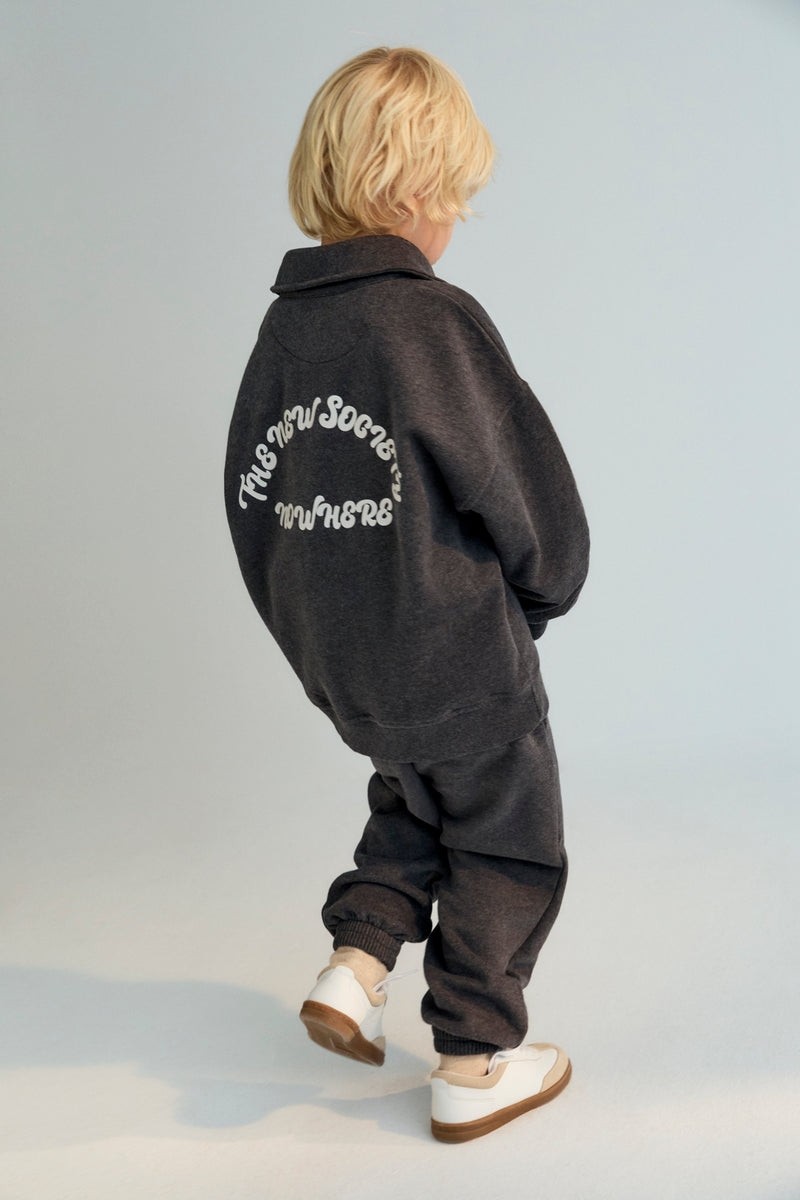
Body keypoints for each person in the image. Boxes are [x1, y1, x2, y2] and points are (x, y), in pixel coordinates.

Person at [224, 46, 590, 1143]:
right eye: (455, 199)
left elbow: (251, 503)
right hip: (460, 654)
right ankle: (474, 1060)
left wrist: (316, 642)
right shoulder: (431, 322)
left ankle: (355, 962)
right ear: (419, 189)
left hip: (353, 663)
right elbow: (520, 488)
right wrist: (542, 593)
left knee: (416, 801)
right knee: (507, 840)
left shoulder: (285, 335)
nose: (454, 223)